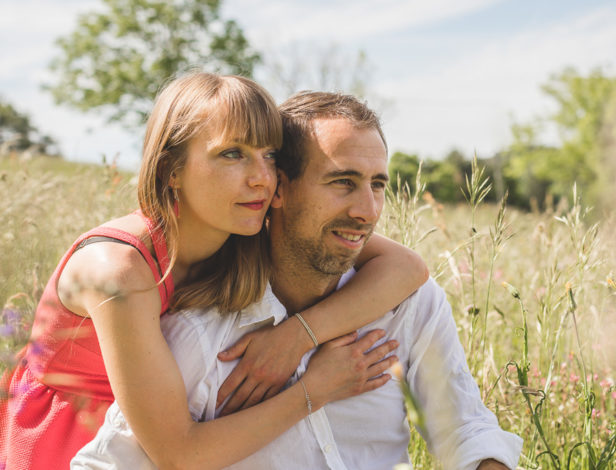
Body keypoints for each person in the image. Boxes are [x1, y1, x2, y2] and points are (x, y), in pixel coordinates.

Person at [0, 73, 429, 470]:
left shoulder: (241, 227)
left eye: (270, 156)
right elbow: (177, 452)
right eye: (232, 154)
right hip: (69, 442)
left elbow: (407, 267)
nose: (262, 178)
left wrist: (298, 336)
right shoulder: (120, 269)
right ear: (172, 170)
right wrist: (314, 391)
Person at [73, 91, 523, 469]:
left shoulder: (409, 303)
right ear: (278, 189)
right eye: (343, 182)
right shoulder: (200, 331)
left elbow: (464, 426)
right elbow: (119, 460)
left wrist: (300, 336)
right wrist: (309, 391)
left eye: (378, 184)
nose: (368, 211)